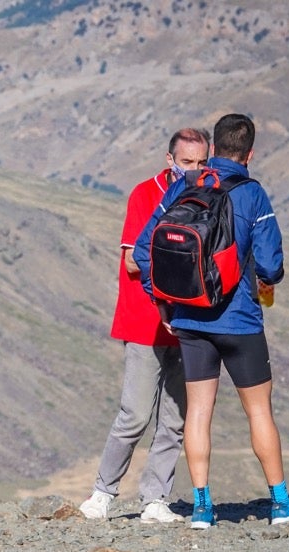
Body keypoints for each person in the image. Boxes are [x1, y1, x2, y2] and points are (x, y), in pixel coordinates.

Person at [134, 113, 289, 529]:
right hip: (241, 321)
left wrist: (162, 305)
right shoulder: (253, 194)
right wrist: (264, 279)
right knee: (259, 412)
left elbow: (145, 251)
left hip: (190, 319)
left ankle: (200, 508)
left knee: (198, 412)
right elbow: (270, 264)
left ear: (212, 149)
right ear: (250, 153)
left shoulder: (184, 186)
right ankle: (281, 504)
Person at [80, 128, 209, 523]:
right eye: (187, 162)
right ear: (170, 160)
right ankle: (103, 492)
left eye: (201, 162)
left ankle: (156, 498)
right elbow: (134, 260)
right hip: (144, 321)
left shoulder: (209, 194)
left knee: (175, 417)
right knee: (134, 414)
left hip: (189, 323)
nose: (195, 170)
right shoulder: (144, 194)